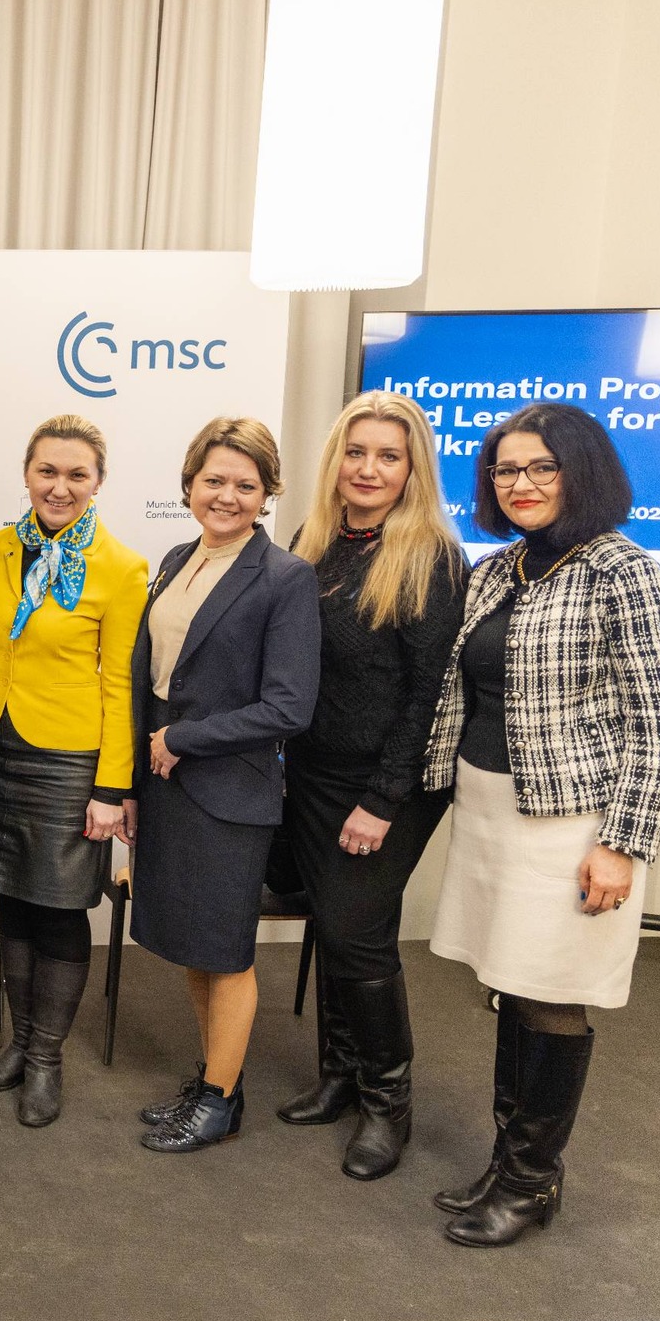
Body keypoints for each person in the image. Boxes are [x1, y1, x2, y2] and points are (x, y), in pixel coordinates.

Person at [422, 403, 660, 1247]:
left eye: (542, 466)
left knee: (554, 992)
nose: (522, 483)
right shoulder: (498, 569)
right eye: (506, 469)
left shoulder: (625, 572)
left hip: (573, 827)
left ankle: (531, 1180)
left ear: (581, 471)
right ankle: (510, 1162)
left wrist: (623, 844)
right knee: (513, 982)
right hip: (491, 811)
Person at [275, 392, 467, 1181]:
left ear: (412, 468)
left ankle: (389, 1103)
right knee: (330, 918)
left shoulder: (432, 558)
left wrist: (382, 799)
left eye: (389, 455)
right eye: (356, 452)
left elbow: (428, 695)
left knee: (356, 929)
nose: (368, 468)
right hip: (315, 771)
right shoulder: (314, 539)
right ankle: (341, 1077)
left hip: (393, 780)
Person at [128, 416, 320, 1152]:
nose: (227, 496)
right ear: (190, 484)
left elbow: (288, 707)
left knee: (227, 951)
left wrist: (183, 738)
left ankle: (219, 1101)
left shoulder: (285, 577)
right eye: (214, 480)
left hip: (230, 794)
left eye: (246, 484)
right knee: (193, 943)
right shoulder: (178, 557)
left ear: (268, 493)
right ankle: (214, 1076)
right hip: (169, 788)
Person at [0, 415, 148, 1127]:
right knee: (12, 898)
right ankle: (19, 1041)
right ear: (27, 473)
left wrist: (112, 788)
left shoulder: (122, 567)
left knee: (61, 908)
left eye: (76, 474)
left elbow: (122, 685)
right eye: (47, 471)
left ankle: (46, 1058)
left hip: (70, 759)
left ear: (98, 481)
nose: (59, 487)